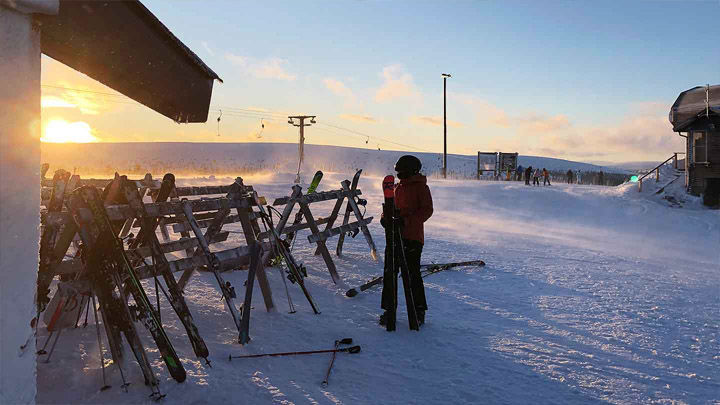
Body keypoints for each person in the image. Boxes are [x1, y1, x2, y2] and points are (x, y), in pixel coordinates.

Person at [380, 155, 433, 327]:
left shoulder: (421, 188)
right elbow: (389, 206)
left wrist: (406, 221)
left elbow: (427, 210)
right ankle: (389, 310)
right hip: (394, 236)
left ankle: (418, 310)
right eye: (398, 172)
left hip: (412, 237)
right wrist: (385, 217)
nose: (399, 175)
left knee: (412, 274)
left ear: (411, 171)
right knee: (389, 273)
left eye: (402, 172)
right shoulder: (397, 187)